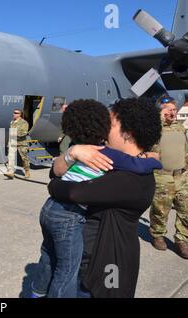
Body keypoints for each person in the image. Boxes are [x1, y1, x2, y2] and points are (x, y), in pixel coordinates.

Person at [32, 100, 162, 298]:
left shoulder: (133, 179)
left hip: (106, 268)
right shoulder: (111, 161)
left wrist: (55, 184)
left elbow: (72, 191)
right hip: (88, 264)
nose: (104, 127)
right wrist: (72, 153)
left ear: (127, 133)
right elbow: (55, 171)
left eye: (110, 123)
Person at [149, 96, 188, 259]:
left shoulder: (180, 127)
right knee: (161, 210)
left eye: (174, 109)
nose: (172, 113)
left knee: (186, 210)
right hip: (163, 177)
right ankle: (157, 234)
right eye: (168, 110)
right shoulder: (152, 129)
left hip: (182, 175)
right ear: (160, 112)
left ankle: (182, 240)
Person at [4, 109, 30, 179]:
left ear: (20, 114)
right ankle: (10, 172)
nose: (14, 114)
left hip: (21, 142)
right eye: (14, 112)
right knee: (11, 157)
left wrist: (15, 134)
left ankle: (27, 170)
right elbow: (10, 134)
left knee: (24, 158)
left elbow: (24, 133)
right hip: (13, 142)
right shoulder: (12, 122)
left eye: (16, 113)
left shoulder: (24, 123)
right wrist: (8, 142)